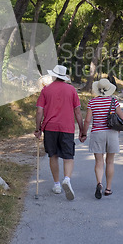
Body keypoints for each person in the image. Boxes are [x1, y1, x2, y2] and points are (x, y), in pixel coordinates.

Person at [34, 65, 84, 201]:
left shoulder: (46, 90)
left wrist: (38, 128)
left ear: (54, 75)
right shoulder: (72, 90)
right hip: (67, 127)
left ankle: (56, 185)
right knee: (68, 156)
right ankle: (66, 179)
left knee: (53, 155)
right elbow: (78, 112)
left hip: (50, 127)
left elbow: (39, 111)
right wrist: (82, 130)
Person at [81, 78, 123, 199]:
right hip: (112, 133)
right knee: (110, 162)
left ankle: (99, 183)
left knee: (99, 162)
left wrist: (83, 133)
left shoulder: (92, 102)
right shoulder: (114, 101)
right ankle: (108, 188)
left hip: (97, 133)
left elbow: (88, 120)